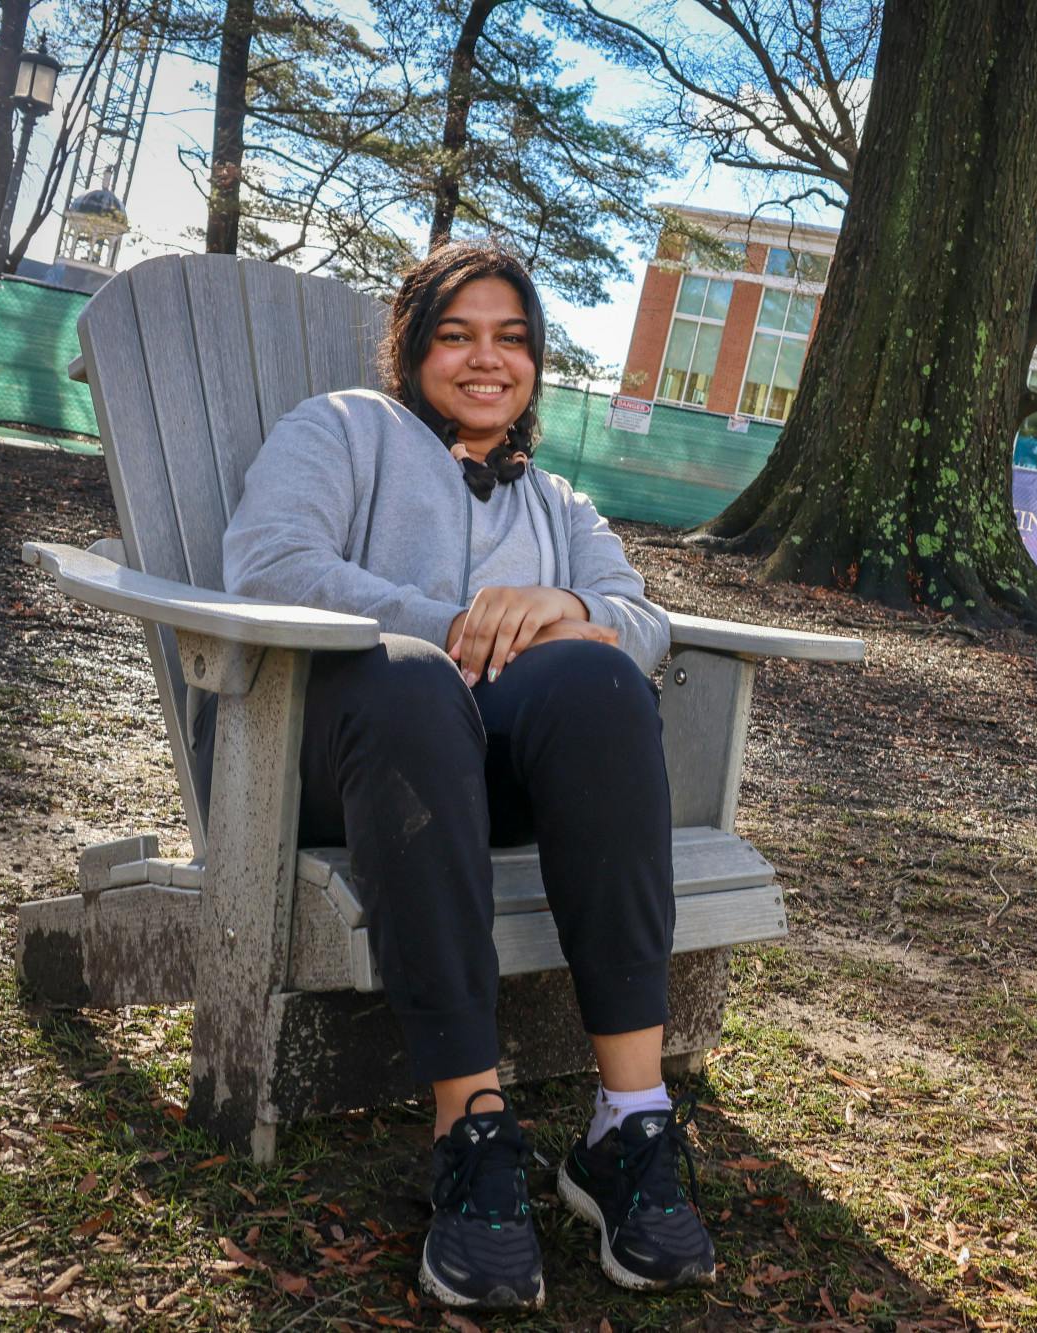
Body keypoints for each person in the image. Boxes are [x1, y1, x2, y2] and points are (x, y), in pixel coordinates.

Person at [221, 242, 714, 1308]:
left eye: (511, 338)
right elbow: (268, 560)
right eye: (456, 334)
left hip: (490, 777)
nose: (486, 359)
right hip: (339, 755)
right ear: (413, 349)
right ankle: (470, 1130)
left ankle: (627, 1128)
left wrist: (572, 613)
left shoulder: (556, 504)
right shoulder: (343, 428)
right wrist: (444, 626)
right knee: (408, 681)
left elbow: (644, 618)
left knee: (598, 680)